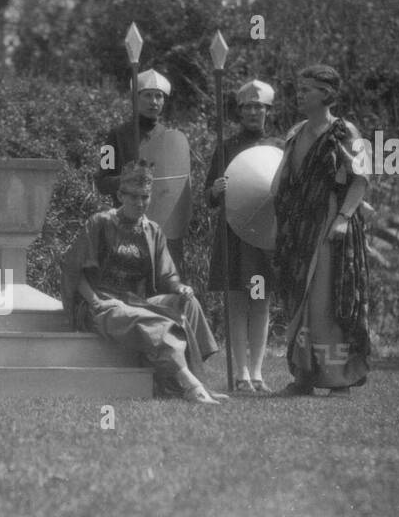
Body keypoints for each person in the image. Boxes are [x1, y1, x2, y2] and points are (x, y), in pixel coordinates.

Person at [62, 163, 227, 404]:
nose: (140, 203)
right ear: (120, 196)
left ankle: (192, 377)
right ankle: (191, 385)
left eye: (145, 197)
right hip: (101, 304)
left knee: (187, 304)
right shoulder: (100, 223)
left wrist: (179, 288)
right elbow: (72, 268)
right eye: (134, 197)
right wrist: (94, 301)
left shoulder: (153, 230)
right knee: (154, 322)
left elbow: (166, 275)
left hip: (136, 301)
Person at [271, 64, 373, 396]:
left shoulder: (345, 132)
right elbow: (282, 178)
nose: (300, 95)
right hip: (299, 225)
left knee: (327, 299)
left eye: (307, 90)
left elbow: (361, 179)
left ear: (326, 94)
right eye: (299, 89)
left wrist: (343, 217)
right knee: (299, 296)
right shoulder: (296, 132)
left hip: (332, 225)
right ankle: (303, 374)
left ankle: (337, 378)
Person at [206, 79, 284, 393]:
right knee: (237, 302)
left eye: (259, 107)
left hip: (264, 237)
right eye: (248, 107)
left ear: (267, 110)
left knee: (260, 302)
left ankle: (257, 373)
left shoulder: (279, 146)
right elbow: (209, 195)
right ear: (240, 111)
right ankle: (240, 373)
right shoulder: (226, 146)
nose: (253, 112)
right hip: (234, 234)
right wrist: (215, 189)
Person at [97, 68, 193, 275]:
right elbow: (102, 182)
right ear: (136, 98)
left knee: (167, 290)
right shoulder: (116, 136)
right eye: (147, 95)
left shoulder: (172, 139)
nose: (153, 101)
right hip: (128, 228)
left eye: (158, 96)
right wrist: (127, 180)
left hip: (165, 231)